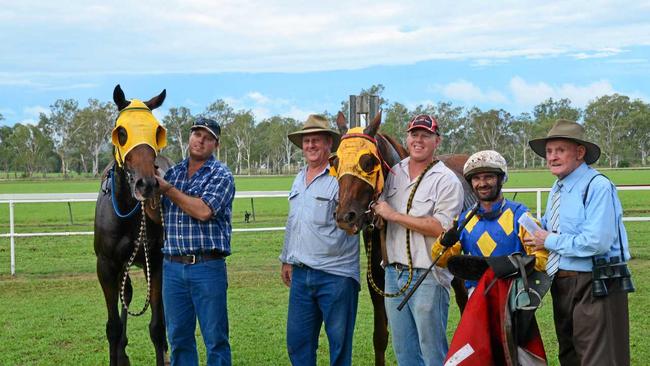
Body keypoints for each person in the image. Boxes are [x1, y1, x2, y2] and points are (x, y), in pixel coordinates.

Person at [525, 119, 632, 366]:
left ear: (580, 152)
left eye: (560, 150)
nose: (552, 157)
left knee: (598, 357)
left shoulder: (598, 186)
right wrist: (536, 229)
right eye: (549, 152)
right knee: (570, 355)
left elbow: (597, 242)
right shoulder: (558, 187)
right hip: (562, 282)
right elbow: (555, 225)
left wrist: (548, 239)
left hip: (596, 280)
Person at [372, 114, 464, 366]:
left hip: (428, 277)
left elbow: (440, 228)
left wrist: (393, 215)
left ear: (437, 141)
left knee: (431, 351)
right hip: (394, 275)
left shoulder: (446, 180)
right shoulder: (394, 173)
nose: (419, 140)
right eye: (414, 134)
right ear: (407, 138)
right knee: (404, 351)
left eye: (426, 135)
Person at [280, 114, 360, 366]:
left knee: (339, 347)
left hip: (336, 276)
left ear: (329, 144)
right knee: (298, 343)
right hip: (301, 276)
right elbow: (294, 222)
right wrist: (286, 259)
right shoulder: (299, 177)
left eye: (317, 140)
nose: (311, 145)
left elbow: (354, 220)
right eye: (306, 141)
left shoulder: (342, 177)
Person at [155, 117, 235, 366]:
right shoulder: (174, 173)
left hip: (206, 267)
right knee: (178, 338)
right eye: (196, 134)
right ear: (189, 137)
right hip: (172, 267)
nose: (200, 140)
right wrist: (148, 195)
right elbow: (159, 217)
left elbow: (203, 211)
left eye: (207, 137)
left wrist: (167, 189)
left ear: (216, 145)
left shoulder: (221, 175)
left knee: (215, 339)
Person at [432, 150, 548, 293]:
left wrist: (512, 266)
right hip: (476, 297)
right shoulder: (463, 220)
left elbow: (542, 259)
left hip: (514, 296)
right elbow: (441, 261)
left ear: (501, 179)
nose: (482, 183)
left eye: (489, 177)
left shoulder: (522, 217)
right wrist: (443, 242)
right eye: (476, 178)